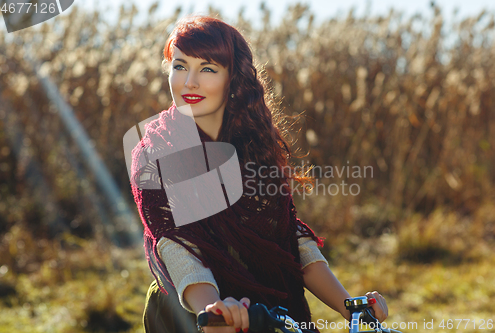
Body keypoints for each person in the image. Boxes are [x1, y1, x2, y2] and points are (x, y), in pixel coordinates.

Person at [130, 15, 388, 333]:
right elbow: (177, 242)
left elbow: (286, 236)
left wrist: (350, 306)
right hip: (188, 310)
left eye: (207, 69)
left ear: (232, 78)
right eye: (180, 66)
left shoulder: (254, 139)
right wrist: (211, 309)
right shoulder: (155, 149)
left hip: (266, 301)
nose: (189, 82)